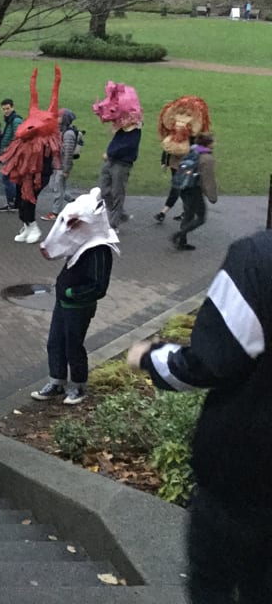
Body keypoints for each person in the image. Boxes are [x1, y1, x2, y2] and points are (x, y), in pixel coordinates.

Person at [126, 230, 272, 603]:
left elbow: (211, 361)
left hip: (245, 480)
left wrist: (149, 356)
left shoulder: (258, 258)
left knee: (215, 586)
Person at [31, 188, 117, 406]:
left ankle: (78, 385)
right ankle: (56, 381)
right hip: (64, 303)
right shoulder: (81, 245)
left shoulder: (99, 251)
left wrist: (72, 293)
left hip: (78, 306)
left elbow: (99, 286)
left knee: (73, 345)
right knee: (55, 342)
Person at [172, 132, 217, 251]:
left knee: (188, 214)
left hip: (183, 187)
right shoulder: (207, 158)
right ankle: (179, 235)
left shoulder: (192, 151)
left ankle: (182, 242)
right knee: (201, 217)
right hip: (194, 190)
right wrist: (212, 197)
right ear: (208, 144)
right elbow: (208, 179)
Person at [98, 120, 141, 230]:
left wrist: (110, 153)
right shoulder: (121, 128)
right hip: (111, 161)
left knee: (117, 193)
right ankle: (119, 214)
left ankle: (113, 224)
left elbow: (128, 146)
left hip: (122, 164)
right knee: (105, 191)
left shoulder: (135, 131)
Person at [42, 108, 79, 220]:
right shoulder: (61, 131)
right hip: (57, 164)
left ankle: (55, 213)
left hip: (61, 166)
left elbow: (68, 153)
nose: (56, 118)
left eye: (59, 116)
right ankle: (74, 201)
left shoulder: (68, 134)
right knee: (54, 186)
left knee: (58, 189)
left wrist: (66, 169)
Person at [0, 98, 23, 212]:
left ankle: (13, 202)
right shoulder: (9, 120)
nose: (6, 111)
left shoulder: (15, 120)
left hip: (11, 154)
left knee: (8, 178)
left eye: (8, 108)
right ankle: (12, 202)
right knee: (8, 178)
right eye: (4, 109)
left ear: (12, 107)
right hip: (8, 153)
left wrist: (8, 149)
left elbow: (18, 137)